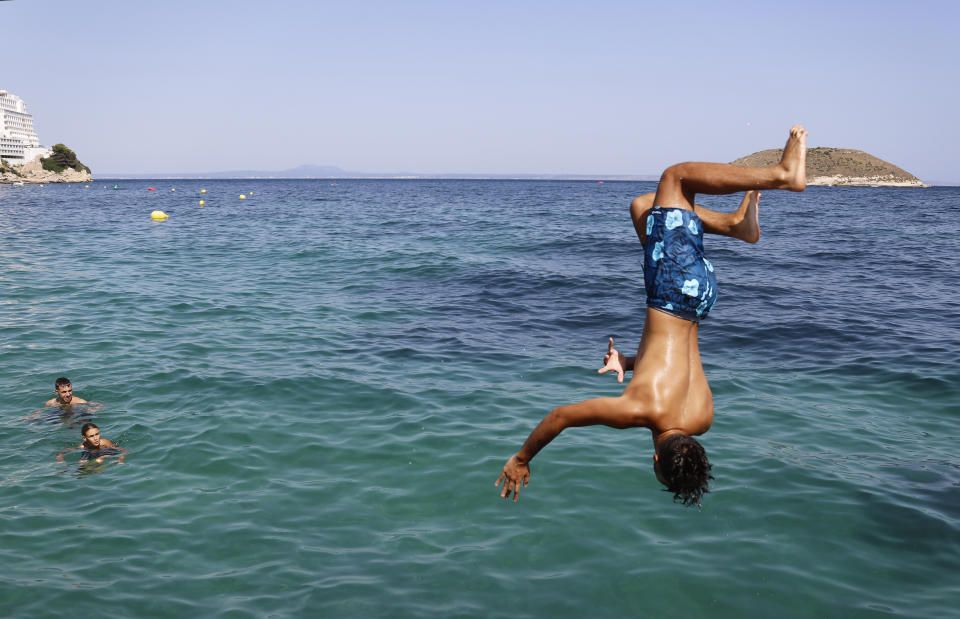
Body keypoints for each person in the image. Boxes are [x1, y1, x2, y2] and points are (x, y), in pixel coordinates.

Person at [495, 125, 808, 506]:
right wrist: (521, 458)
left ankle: (733, 226)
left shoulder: (702, 418)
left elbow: (671, 361)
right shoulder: (638, 409)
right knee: (674, 177)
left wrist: (627, 361)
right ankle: (781, 175)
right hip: (673, 291)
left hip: (700, 300)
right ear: (655, 458)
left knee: (644, 207)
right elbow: (560, 417)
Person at [56, 422, 127, 465]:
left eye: (97, 434)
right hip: (90, 453)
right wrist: (61, 461)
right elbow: (62, 453)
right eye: (91, 436)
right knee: (81, 463)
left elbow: (123, 451)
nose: (96, 438)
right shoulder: (82, 447)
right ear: (84, 438)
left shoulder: (104, 442)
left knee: (99, 460)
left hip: (104, 451)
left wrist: (120, 461)